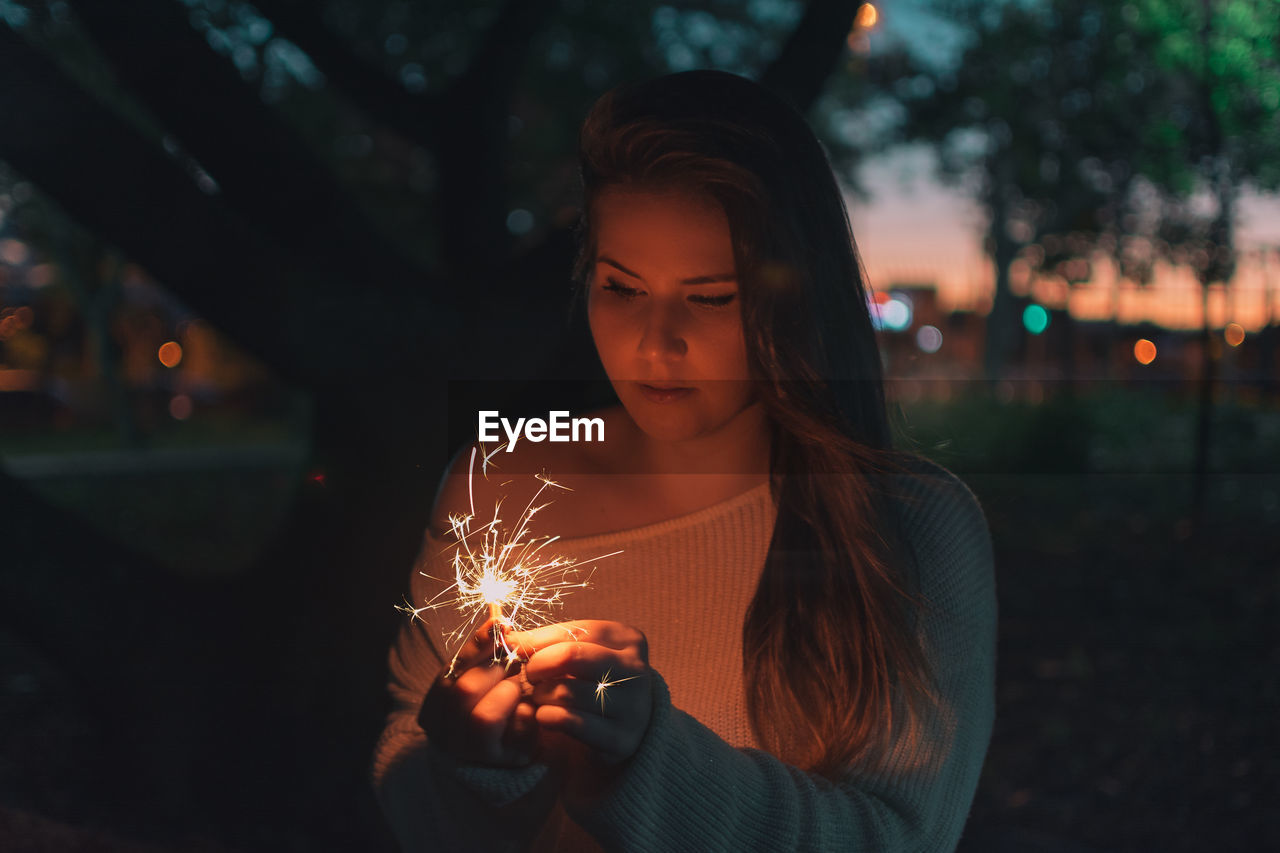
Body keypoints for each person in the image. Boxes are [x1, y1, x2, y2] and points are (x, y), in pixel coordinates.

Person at [370, 69, 996, 852]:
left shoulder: (906, 526)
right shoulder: (495, 481)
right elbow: (410, 779)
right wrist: (477, 764)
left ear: (792, 295)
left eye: (708, 298)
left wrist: (645, 761)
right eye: (622, 288)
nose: (655, 343)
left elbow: (895, 840)